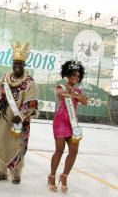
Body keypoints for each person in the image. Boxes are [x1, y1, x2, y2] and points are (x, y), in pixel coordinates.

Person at [0, 42, 39, 184]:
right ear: (12, 64)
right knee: (0, 142)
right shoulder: (6, 77)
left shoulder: (30, 83)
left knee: (16, 145)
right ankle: (1, 172)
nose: (17, 66)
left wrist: (22, 116)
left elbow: (31, 103)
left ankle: (16, 173)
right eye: (15, 63)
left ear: (24, 65)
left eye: (20, 63)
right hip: (2, 119)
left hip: (17, 122)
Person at [48, 60, 88, 193]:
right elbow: (61, 94)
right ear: (68, 75)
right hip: (60, 122)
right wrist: (77, 95)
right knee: (59, 150)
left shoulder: (78, 90)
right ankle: (52, 176)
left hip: (72, 124)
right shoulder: (61, 86)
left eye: (78, 76)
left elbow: (84, 101)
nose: (76, 78)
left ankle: (64, 176)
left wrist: (81, 96)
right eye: (73, 75)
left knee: (74, 150)